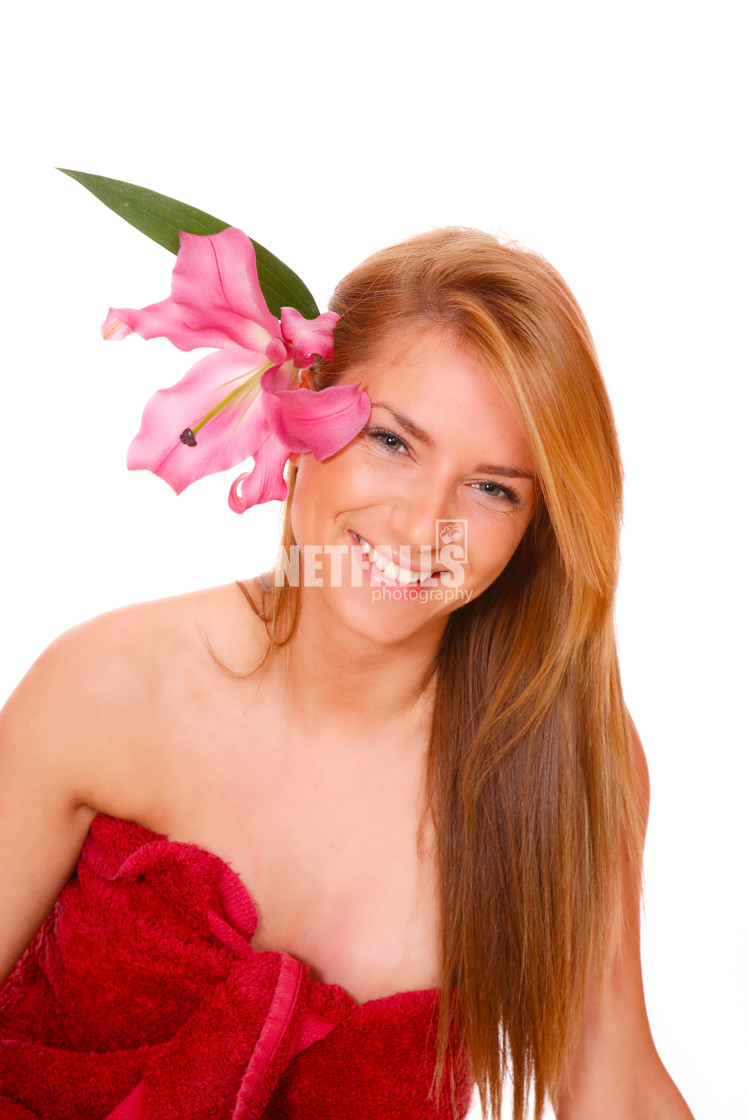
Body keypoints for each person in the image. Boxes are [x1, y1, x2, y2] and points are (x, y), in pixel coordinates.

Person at [0, 225, 694, 1119]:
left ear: (535, 532)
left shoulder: (560, 758)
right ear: (299, 415)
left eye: (492, 488)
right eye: (393, 442)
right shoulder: (108, 686)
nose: (419, 526)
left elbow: (615, 1089)